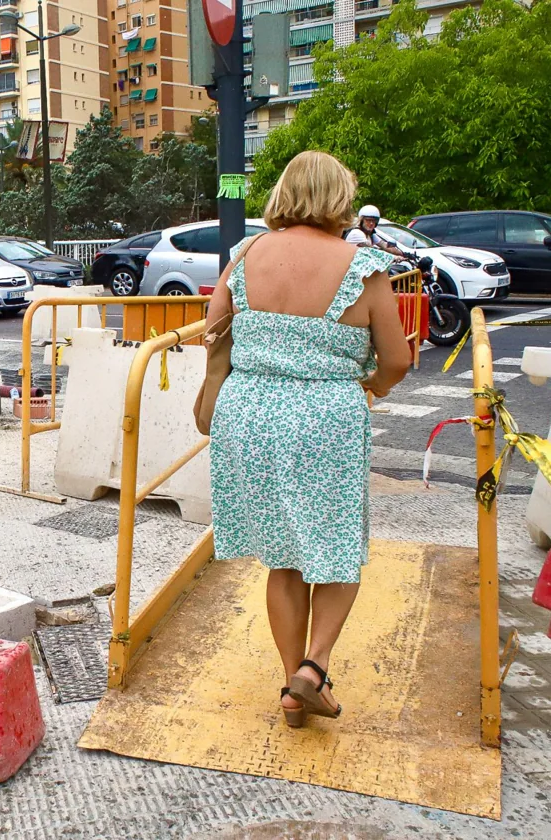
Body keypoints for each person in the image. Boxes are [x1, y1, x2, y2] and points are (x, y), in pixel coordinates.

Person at [205, 151, 411, 728]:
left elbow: (214, 327)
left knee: (284, 557)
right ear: (339, 199)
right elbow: (395, 359)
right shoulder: (362, 267)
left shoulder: (244, 255)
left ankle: (292, 685)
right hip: (324, 418)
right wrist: (368, 383)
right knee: (337, 548)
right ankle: (314, 669)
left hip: (249, 416)